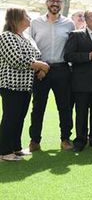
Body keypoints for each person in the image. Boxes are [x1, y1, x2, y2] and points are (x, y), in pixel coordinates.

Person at [0, 8, 49, 161]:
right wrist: (39, 65)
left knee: (19, 117)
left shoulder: (26, 37)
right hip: (10, 85)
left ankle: (15, 148)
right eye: (27, 16)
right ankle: (4, 151)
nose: (29, 18)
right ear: (17, 19)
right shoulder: (6, 36)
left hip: (25, 85)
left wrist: (40, 69)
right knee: (10, 117)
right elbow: (16, 59)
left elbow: (36, 55)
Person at [28, 0, 75, 151]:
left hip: (62, 69)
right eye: (52, 1)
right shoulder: (35, 22)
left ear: (61, 4)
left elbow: (71, 47)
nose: (55, 3)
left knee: (64, 106)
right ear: (46, 3)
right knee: (38, 107)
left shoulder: (69, 24)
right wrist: (40, 67)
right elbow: (31, 46)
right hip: (41, 70)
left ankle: (65, 139)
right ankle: (34, 141)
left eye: (58, 1)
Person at [64, 9, 92, 152]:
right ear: (85, 19)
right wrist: (89, 56)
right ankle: (80, 141)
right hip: (81, 82)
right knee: (81, 113)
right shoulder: (75, 35)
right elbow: (68, 56)